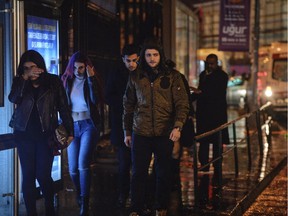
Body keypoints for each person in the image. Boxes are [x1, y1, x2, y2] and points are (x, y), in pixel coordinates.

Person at [123, 38, 189, 216]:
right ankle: (136, 207)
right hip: (140, 131)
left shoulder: (172, 76)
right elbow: (128, 105)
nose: (152, 58)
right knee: (138, 173)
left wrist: (177, 127)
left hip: (164, 132)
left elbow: (182, 104)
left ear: (161, 56)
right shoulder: (136, 76)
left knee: (163, 173)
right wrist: (127, 131)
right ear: (143, 57)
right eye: (148, 55)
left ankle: (161, 207)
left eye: (155, 54)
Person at [8, 50, 74, 216]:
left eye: (33, 67)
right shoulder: (20, 81)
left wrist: (70, 130)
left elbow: (63, 107)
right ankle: (32, 212)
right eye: (26, 68)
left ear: (41, 67)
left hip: (46, 135)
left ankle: (49, 207)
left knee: (43, 175)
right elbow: (13, 98)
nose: (31, 71)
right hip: (24, 135)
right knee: (28, 176)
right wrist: (23, 78)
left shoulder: (52, 81)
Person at [61, 51, 104, 216]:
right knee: (72, 169)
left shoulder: (92, 81)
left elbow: (94, 100)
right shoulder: (66, 81)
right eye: (76, 67)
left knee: (82, 164)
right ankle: (80, 194)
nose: (79, 71)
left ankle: (84, 203)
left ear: (87, 67)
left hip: (88, 125)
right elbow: (62, 104)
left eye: (82, 68)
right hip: (72, 126)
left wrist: (91, 79)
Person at [105, 44, 139, 208]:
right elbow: (108, 96)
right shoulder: (116, 73)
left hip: (141, 125)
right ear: (123, 60)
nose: (131, 64)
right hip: (121, 124)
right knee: (124, 163)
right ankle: (124, 194)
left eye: (134, 60)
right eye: (128, 61)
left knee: (138, 164)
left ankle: (137, 196)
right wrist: (125, 103)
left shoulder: (143, 74)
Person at [193, 53, 229, 175]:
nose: (209, 66)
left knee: (217, 142)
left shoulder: (222, 76)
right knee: (203, 141)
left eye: (212, 63)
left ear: (216, 63)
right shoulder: (203, 74)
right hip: (204, 114)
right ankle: (204, 165)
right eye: (208, 63)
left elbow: (215, 93)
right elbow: (201, 91)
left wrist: (199, 92)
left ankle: (217, 165)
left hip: (216, 115)